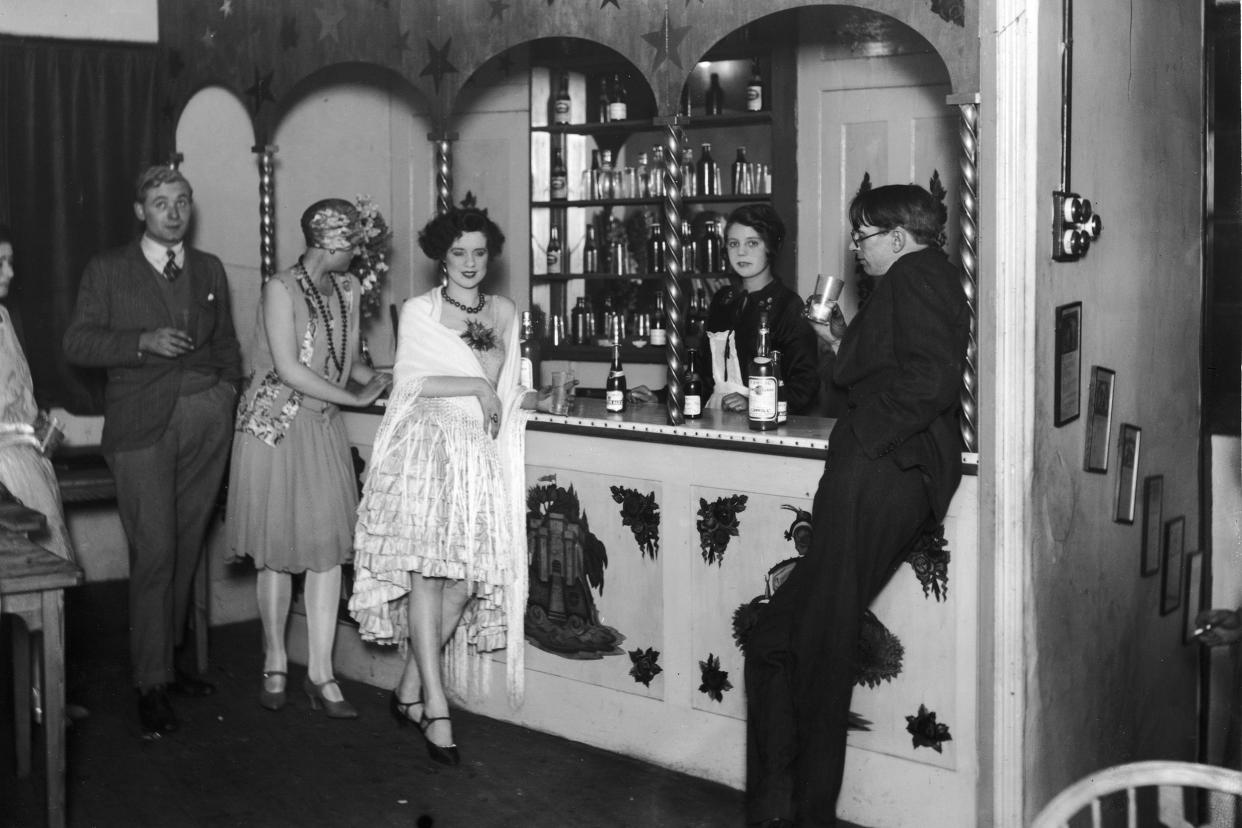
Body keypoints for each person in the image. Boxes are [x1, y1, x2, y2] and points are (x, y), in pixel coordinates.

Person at [744, 184, 969, 827]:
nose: (854, 247)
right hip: (878, 472)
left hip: (879, 474)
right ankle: (777, 806)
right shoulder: (919, 279)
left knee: (812, 645)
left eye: (863, 235)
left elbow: (931, 379)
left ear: (897, 237)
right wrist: (841, 339)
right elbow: (896, 369)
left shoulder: (918, 276)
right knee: (779, 640)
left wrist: (865, 443)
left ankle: (799, 812)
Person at [349, 206, 536, 766]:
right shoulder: (420, 310)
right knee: (427, 578)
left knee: (462, 586)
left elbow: (509, 386)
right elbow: (408, 382)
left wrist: (534, 398)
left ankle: (408, 687)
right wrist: (475, 387)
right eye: (459, 253)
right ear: (441, 256)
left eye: (480, 252)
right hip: (426, 449)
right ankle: (435, 705)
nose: (471, 263)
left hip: (477, 458)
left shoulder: (504, 311)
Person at [64, 165, 243, 737]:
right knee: (156, 554)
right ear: (140, 211)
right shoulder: (108, 268)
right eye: (160, 202)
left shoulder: (209, 267)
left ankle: (168, 663)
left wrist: (226, 394)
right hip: (141, 426)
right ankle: (150, 682)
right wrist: (139, 342)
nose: (173, 211)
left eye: (182, 200)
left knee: (187, 548)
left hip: (205, 419)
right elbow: (78, 342)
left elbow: (227, 344)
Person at [226, 199, 391, 717]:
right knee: (276, 552)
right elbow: (290, 371)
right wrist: (359, 397)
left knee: (326, 552)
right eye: (354, 243)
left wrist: (392, 378)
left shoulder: (348, 287)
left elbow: (350, 363)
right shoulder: (279, 289)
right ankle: (275, 660)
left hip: (320, 427)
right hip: (274, 429)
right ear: (330, 241)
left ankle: (321, 673)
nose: (360, 253)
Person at [0, 224, 75, 563]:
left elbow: (18, 391)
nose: (10, 272)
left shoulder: (2, 316)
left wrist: (36, 424)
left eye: (10, 261)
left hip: (22, 459)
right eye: (0, 262)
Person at [699, 204, 819, 415]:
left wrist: (753, 400)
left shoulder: (787, 305)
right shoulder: (723, 300)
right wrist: (661, 395)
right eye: (733, 243)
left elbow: (804, 387)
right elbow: (702, 374)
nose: (741, 252)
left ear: (770, 247)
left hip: (763, 422)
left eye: (752, 243)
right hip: (713, 417)